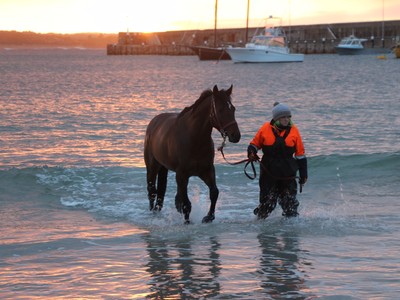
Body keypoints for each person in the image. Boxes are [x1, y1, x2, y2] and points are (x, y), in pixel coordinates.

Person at [247, 102, 308, 219]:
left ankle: (290, 233)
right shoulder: (265, 129)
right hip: (268, 172)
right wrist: (251, 153)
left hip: (288, 173)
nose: (286, 119)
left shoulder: (294, 131)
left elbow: (300, 155)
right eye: (283, 117)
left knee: (290, 204)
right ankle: (263, 231)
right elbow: (254, 145)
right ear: (276, 119)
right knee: (267, 203)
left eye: (288, 117)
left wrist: (303, 174)